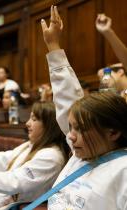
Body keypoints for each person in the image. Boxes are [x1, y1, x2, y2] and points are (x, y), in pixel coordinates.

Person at [40, 6, 127, 209]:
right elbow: (66, 98)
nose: (70, 136)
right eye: (71, 127)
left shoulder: (122, 170)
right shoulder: (86, 147)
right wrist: (53, 45)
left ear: (113, 132)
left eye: (79, 128)